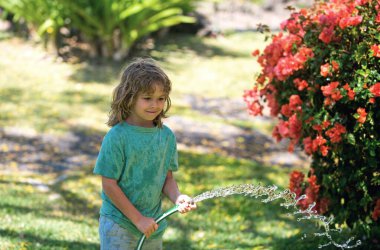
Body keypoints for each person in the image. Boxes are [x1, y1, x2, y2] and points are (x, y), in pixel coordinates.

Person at [93, 57, 197, 249]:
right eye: (147, 98)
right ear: (129, 97)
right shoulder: (117, 137)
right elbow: (109, 184)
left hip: (152, 225)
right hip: (119, 225)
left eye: (161, 99)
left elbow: (167, 179)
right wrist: (138, 219)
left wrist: (178, 198)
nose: (155, 105)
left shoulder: (165, 136)